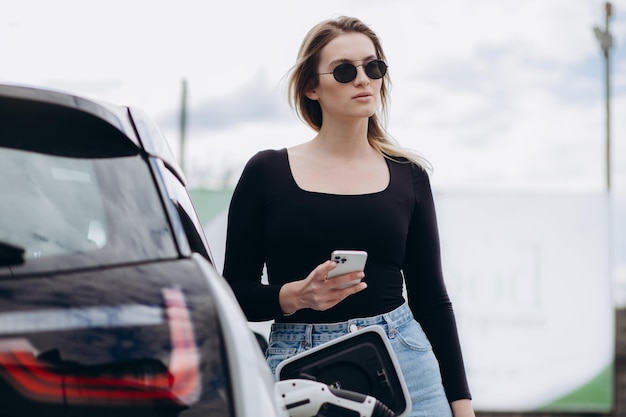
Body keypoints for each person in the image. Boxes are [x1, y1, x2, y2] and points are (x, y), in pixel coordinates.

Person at [222, 15, 475, 417]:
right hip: (301, 370)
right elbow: (232, 293)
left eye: (373, 67)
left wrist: (461, 406)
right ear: (311, 87)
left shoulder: (409, 176)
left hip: (408, 361)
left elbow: (432, 300)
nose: (363, 79)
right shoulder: (266, 172)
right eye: (344, 70)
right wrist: (293, 297)